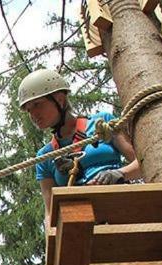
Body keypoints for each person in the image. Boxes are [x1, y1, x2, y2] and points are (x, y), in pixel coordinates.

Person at [18, 68, 141, 213]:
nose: (32, 114)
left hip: (119, 204)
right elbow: (50, 211)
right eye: (28, 110)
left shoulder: (102, 124)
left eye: (37, 104)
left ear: (59, 100)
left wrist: (119, 173)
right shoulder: (45, 157)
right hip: (81, 220)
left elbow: (142, 163)